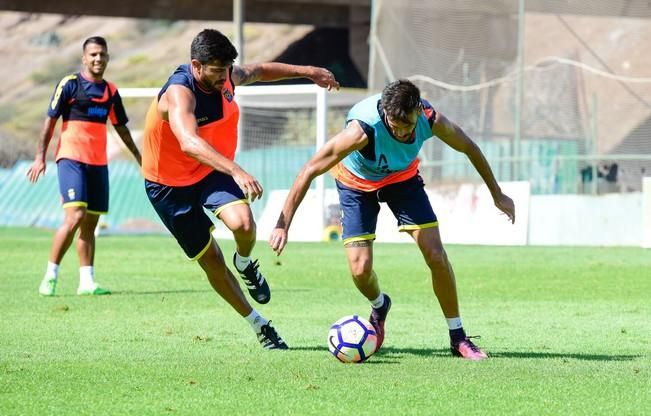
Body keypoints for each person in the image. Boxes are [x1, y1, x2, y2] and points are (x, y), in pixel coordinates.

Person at [269, 79, 515, 360]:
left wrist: (497, 194)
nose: (401, 133)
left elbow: (469, 147)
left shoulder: (430, 119)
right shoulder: (361, 131)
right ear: (385, 113)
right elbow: (310, 169)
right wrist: (282, 224)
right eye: (394, 126)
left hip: (402, 180)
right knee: (360, 271)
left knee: (436, 254)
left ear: (417, 113)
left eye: (407, 127)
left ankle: (458, 336)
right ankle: (379, 305)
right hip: (355, 185)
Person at [141, 29, 339, 350]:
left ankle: (245, 263)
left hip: (208, 171)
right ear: (196, 65)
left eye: (227, 69)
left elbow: (259, 71)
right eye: (217, 71)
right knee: (212, 262)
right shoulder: (180, 94)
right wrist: (235, 169)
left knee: (244, 224)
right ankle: (258, 324)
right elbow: (189, 142)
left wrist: (308, 72)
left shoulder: (227, 76)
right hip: (169, 186)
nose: (225, 77)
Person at [27, 36, 142, 297]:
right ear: (84, 58)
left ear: (108, 58)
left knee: (91, 223)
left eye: (102, 54)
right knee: (75, 216)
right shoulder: (69, 84)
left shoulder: (111, 91)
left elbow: (121, 127)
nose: (98, 59)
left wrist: (138, 156)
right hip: (71, 159)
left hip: (98, 164)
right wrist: (39, 157)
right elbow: (50, 121)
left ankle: (87, 282)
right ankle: (50, 276)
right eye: (93, 55)